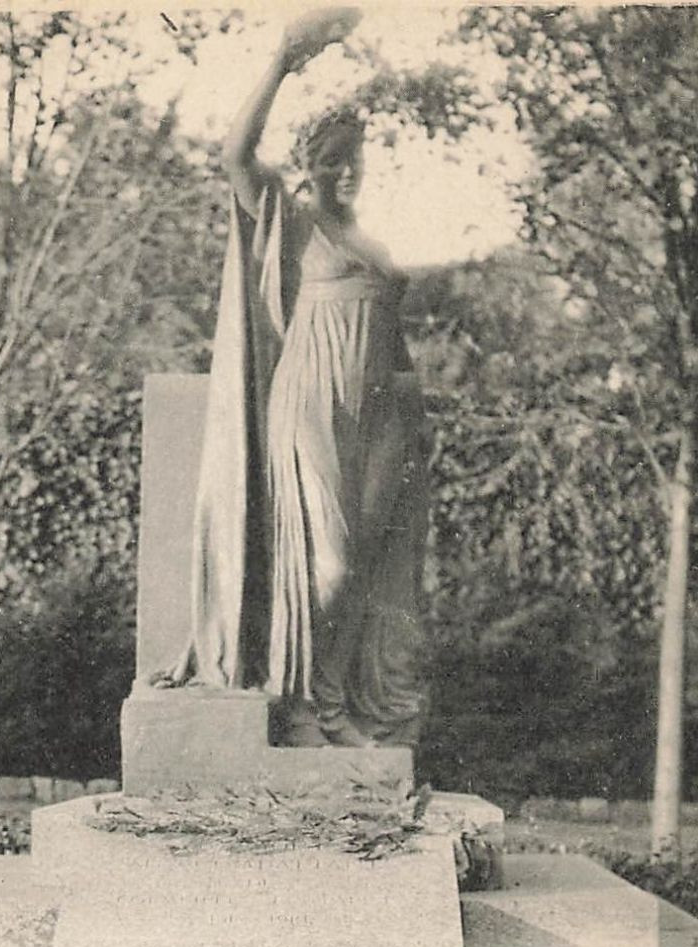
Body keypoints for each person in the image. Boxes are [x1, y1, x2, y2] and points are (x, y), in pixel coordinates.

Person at [155, 8, 430, 749]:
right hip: (310, 399)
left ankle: (332, 710)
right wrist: (281, 62)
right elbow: (235, 156)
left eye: (357, 161)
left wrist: (411, 411)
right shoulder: (291, 219)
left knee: (366, 574)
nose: (349, 172)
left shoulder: (368, 240)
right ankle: (301, 705)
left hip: (379, 410)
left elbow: (393, 333)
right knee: (330, 568)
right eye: (337, 159)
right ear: (312, 162)